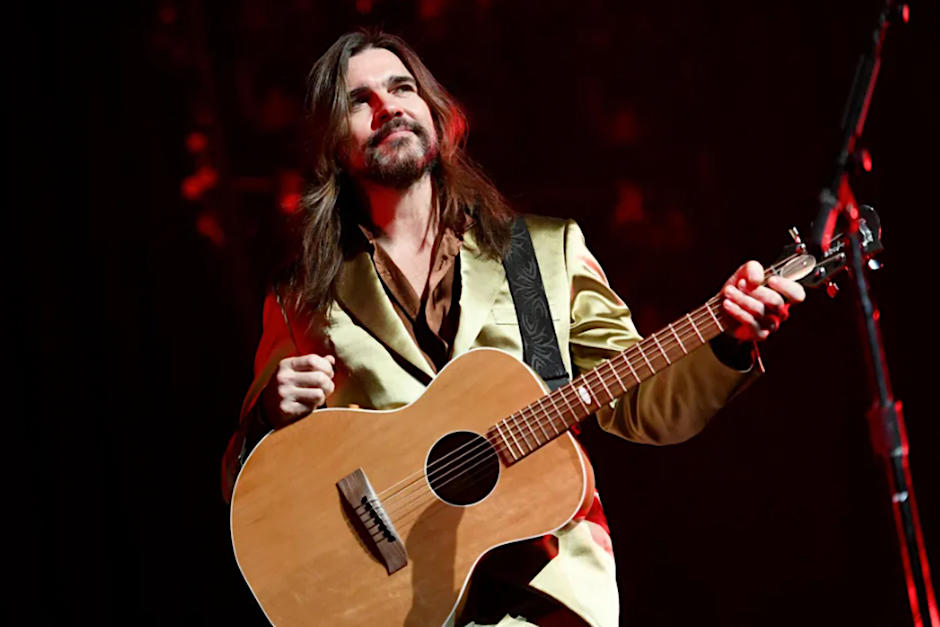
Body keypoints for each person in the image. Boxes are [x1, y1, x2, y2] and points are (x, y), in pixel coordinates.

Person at [222, 29, 805, 627]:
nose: (387, 107)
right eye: (358, 101)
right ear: (330, 144)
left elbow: (643, 403)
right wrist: (267, 416)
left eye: (402, 88)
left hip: (548, 587)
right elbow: (254, 491)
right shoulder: (303, 297)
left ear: (435, 112)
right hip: (398, 604)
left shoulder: (543, 256)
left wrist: (727, 340)